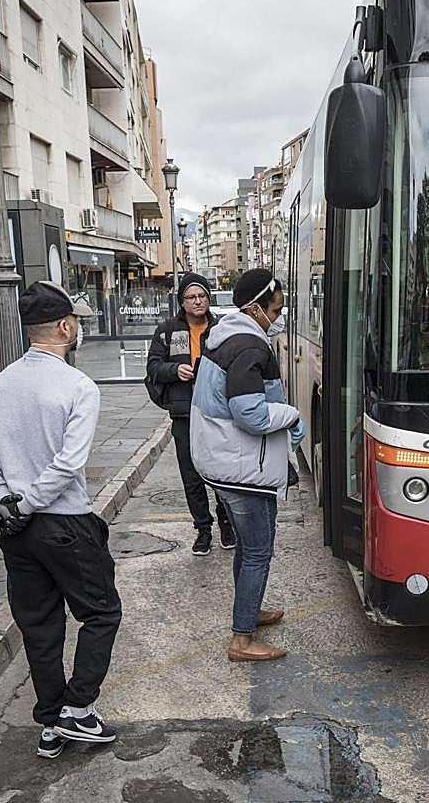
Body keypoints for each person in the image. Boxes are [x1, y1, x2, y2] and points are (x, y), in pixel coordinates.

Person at [0, 281, 121, 760]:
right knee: (100, 612)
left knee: (39, 623)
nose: (77, 327)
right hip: (64, 523)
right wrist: (27, 502)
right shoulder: (78, 386)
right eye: (75, 321)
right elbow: (68, 465)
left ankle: (51, 721)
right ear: (64, 326)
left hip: (17, 530)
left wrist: (4, 500)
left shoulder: (2, 381)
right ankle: (78, 708)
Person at [190, 269, 304, 663]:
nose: (281, 314)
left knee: (247, 547)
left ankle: (249, 610)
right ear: (257, 306)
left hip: (224, 460)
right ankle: (242, 640)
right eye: (277, 308)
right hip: (241, 466)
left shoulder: (225, 335)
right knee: (258, 550)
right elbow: (250, 415)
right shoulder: (249, 347)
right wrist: (290, 415)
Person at [146, 273, 234, 556]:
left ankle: (226, 522)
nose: (198, 301)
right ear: (182, 303)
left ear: (208, 299)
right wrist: (176, 370)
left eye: (202, 296)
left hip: (217, 413)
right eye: (191, 297)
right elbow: (153, 368)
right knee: (191, 474)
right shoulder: (168, 331)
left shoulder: (221, 329)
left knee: (222, 471)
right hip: (184, 413)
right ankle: (203, 529)